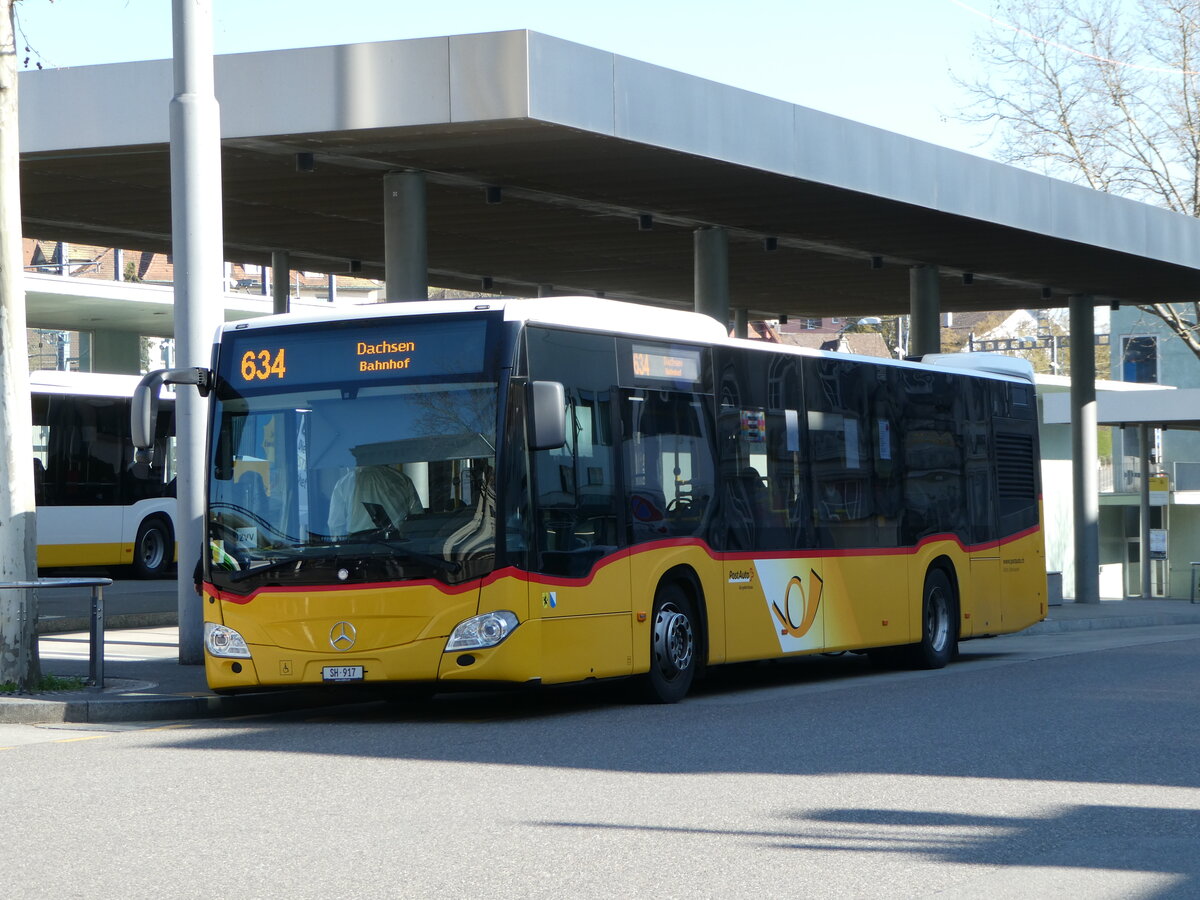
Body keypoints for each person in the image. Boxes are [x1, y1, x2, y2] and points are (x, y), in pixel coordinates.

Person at [327, 464, 423, 537]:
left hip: (358, 548)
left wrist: (341, 550)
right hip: (396, 547)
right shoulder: (401, 479)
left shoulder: (344, 483)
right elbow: (417, 518)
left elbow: (336, 525)